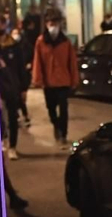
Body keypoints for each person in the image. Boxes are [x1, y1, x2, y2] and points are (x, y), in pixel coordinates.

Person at [32, 10, 78, 150]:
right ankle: (56, 126)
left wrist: (74, 80)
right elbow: (37, 61)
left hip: (63, 81)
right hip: (49, 83)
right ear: (46, 24)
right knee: (51, 109)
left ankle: (63, 134)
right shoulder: (41, 41)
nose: (53, 26)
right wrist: (37, 79)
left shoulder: (66, 42)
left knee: (63, 109)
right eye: (51, 23)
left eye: (56, 23)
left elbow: (72, 63)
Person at [0, 41, 23, 163]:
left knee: (12, 119)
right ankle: (3, 140)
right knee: (0, 119)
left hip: (11, 91)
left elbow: (17, 72)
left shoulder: (13, 47)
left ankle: (12, 146)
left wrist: (22, 88)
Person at [18, 12, 41, 125]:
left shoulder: (27, 39)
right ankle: (23, 115)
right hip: (21, 70)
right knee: (20, 95)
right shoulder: (25, 39)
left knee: (21, 94)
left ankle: (24, 115)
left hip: (24, 71)